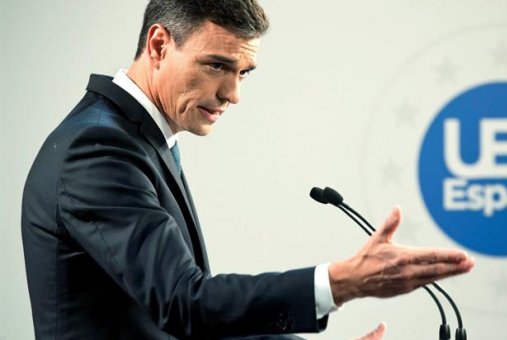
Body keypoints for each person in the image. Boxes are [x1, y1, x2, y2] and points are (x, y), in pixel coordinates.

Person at [21, 0, 475, 339]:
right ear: (159, 45)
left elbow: (196, 322)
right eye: (217, 65)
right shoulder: (98, 148)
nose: (232, 93)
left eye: (244, 73)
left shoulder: (136, 139)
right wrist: (338, 283)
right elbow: (185, 305)